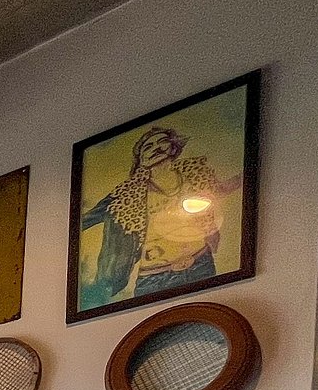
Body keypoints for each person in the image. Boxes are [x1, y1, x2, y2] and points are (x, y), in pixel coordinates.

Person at [81, 124, 238, 307]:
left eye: (162, 142)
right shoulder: (125, 194)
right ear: (140, 160)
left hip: (200, 263)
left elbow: (222, 189)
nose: (156, 148)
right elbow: (84, 220)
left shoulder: (196, 174)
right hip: (154, 277)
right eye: (148, 147)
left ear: (173, 147)